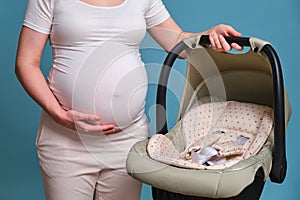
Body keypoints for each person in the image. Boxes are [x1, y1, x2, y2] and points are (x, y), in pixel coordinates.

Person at [15, 0, 243, 200]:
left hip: (126, 141)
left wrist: (208, 36)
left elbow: (177, 42)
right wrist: (60, 115)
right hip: (66, 142)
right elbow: (26, 62)